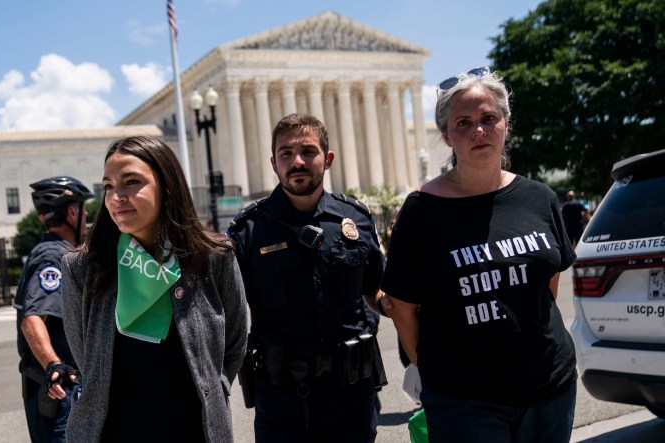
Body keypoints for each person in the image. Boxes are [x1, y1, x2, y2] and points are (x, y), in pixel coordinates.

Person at [377, 68, 577, 443]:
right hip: (464, 401)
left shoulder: (540, 198)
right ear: (446, 135)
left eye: (488, 118)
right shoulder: (422, 211)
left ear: (505, 123)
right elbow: (400, 303)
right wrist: (429, 367)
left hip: (550, 386)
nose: (478, 131)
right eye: (464, 122)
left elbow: (546, 285)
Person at [60, 136, 248, 443]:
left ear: (166, 185)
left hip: (196, 431)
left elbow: (235, 342)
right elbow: (85, 358)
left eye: (131, 182)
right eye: (108, 186)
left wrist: (216, 389)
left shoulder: (214, 258)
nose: (116, 196)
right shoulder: (82, 269)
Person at [228, 113, 386, 442]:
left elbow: (378, 291)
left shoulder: (356, 219)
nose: (297, 161)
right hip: (283, 402)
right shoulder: (248, 231)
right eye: (286, 154)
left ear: (327, 159)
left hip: (353, 396)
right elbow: (224, 312)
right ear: (274, 163)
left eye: (308, 152)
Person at [14, 176, 93, 443]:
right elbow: (33, 317)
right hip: (59, 393)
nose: (86, 217)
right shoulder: (53, 256)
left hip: (62, 390)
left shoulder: (58, 251)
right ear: (72, 211)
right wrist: (53, 364)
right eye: (84, 210)